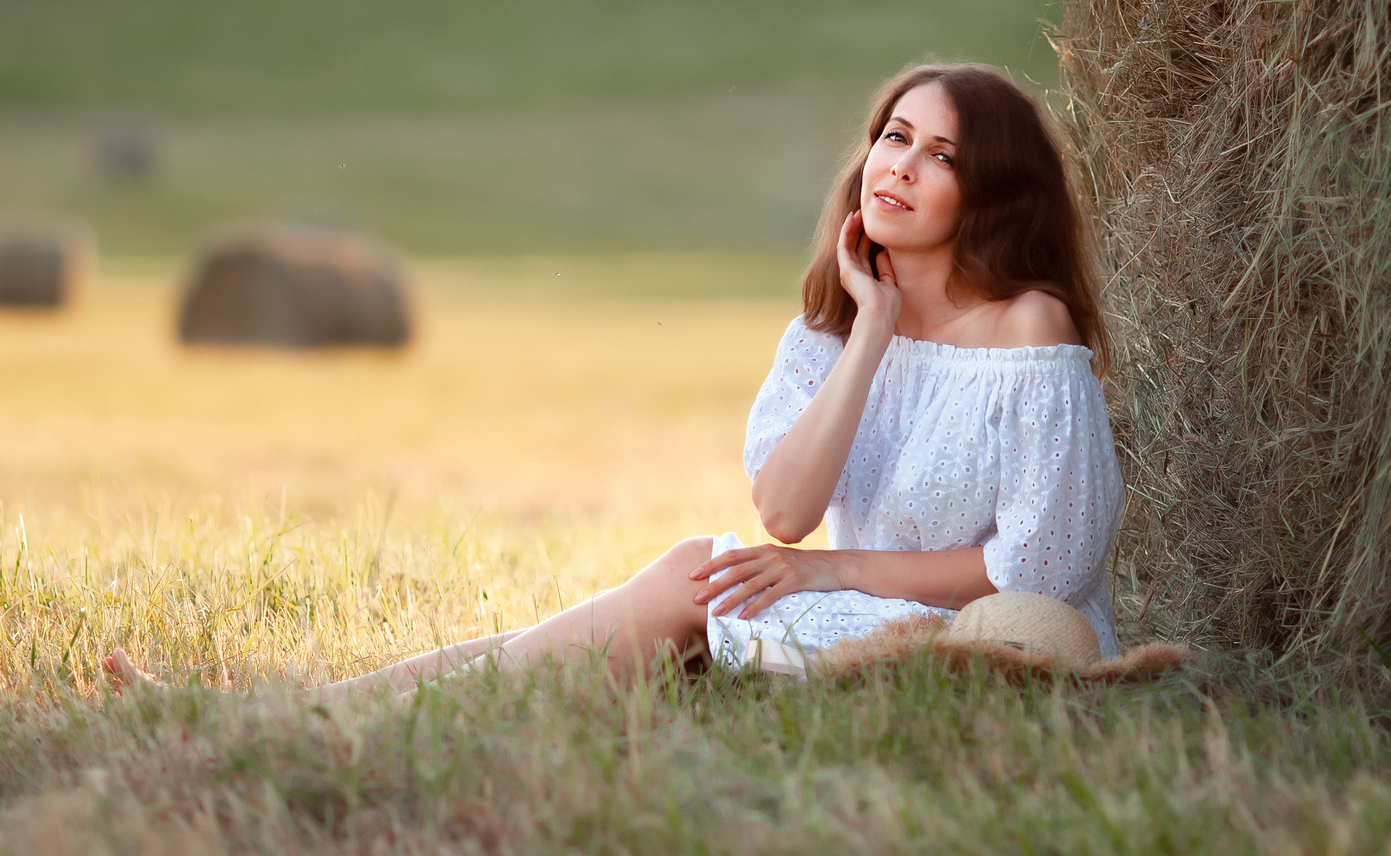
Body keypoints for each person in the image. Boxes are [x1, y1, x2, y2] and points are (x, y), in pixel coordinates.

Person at [106, 62, 1125, 700]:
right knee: (578, 636)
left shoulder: (1027, 330)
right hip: (863, 618)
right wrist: (872, 333)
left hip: (970, 652)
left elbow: (1039, 568)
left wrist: (832, 573)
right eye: (893, 137)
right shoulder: (838, 319)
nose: (898, 166)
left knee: (677, 583)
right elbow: (784, 508)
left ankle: (318, 719)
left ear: (987, 191)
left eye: (939, 154)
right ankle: (311, 713)